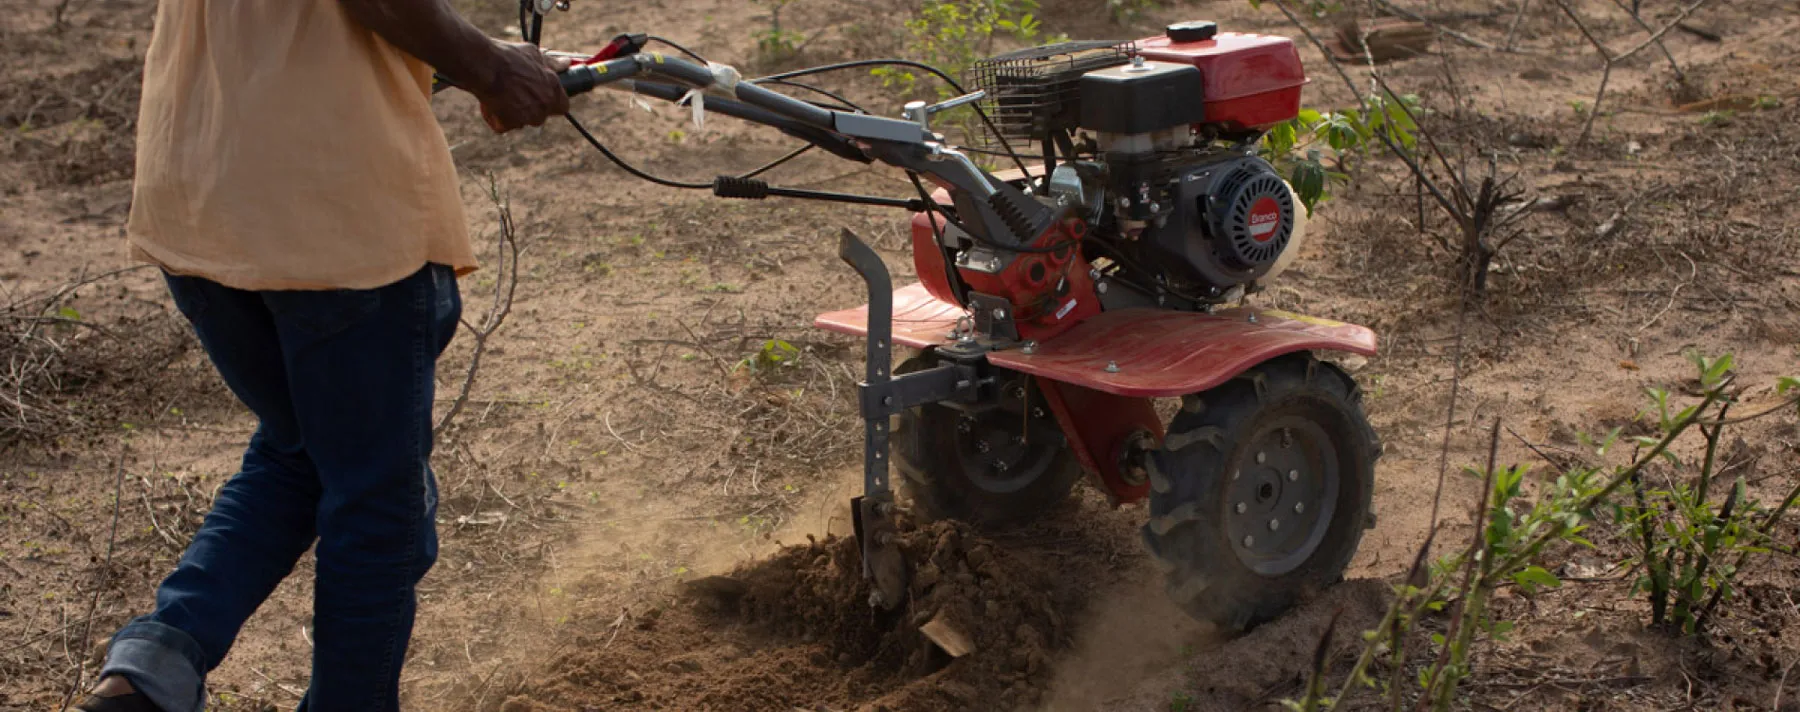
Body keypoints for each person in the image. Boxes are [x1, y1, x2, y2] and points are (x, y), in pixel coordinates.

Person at [73, 0, 569, 709]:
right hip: (330, 211)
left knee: (301, 450)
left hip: (198, 181)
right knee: (379, 507)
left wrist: (472, 49)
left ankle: (152, 669)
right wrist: (491, 69)